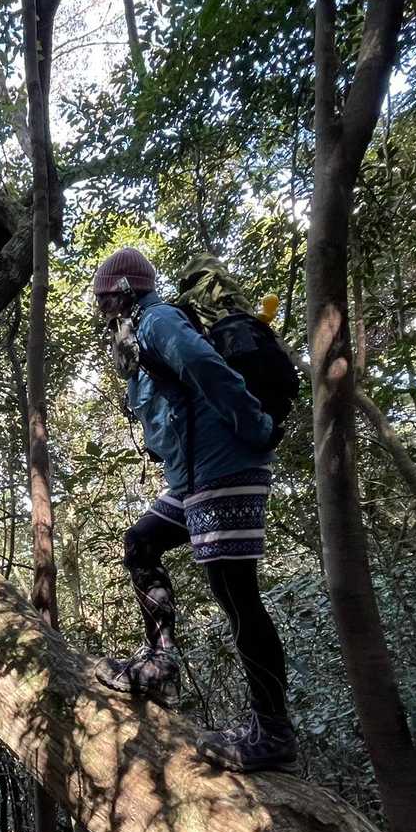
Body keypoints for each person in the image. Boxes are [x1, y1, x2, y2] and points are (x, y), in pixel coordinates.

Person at [92, 246, 300, 774]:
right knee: (141, 542)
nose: (101, 309)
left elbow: (204, 365)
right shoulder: (136, 333)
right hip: (192, 479)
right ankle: (161, 665)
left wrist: (255, 426)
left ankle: (273, 731)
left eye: (105, 297)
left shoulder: (157, 320)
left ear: (125, 291)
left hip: (224, 466)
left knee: (235, 593)